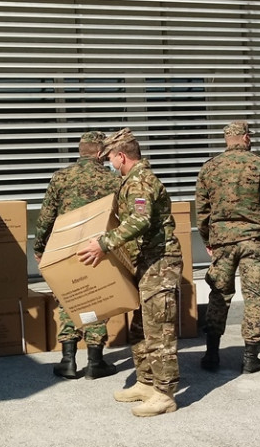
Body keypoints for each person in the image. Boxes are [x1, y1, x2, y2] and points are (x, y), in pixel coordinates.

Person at [77, 128, 183, 417]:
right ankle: (147, 382)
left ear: (121, 156)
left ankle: (165, 393)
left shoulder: (141, 182)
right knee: (140, 326)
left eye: (111, 157)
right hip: (144, 263)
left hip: (160, 263)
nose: (109, 162)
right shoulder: (130, 181)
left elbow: (140, 219)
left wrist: (104, 244)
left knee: (159, 328)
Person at [195, 121, 260, 373]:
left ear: (227, 139)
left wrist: (207, 240)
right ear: (246, 138)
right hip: (253, 241)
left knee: (219, 294)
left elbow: (202, 211)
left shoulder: (209, 168)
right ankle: (250, 357)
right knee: (254, 295)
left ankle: (212, 355)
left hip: (222, 242)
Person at [34, 131, 121, 380]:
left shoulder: (61, 177)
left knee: (69, 297)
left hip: (65, 248)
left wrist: (40, 249)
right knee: (97, 296)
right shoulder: (112, 179)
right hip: (98, 247)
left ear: (80, 150)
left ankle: (67, 360)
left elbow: (46, 217)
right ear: (101, 152)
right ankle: (95, 361)